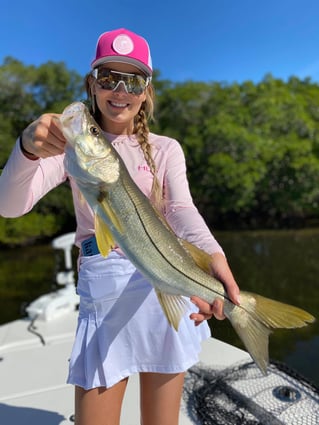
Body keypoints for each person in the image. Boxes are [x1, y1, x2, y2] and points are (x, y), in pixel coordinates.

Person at [0, 28, 240, 425]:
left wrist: (213, 255)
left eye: (133, 80)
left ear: (146, 91)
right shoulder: (70, 149)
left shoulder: (166, 148)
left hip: (165, 282)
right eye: (109, 77)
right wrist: (26, 148)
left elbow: (181, 209)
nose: (120, 89)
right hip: (104, 291)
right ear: (92, 84)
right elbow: (9, 207)